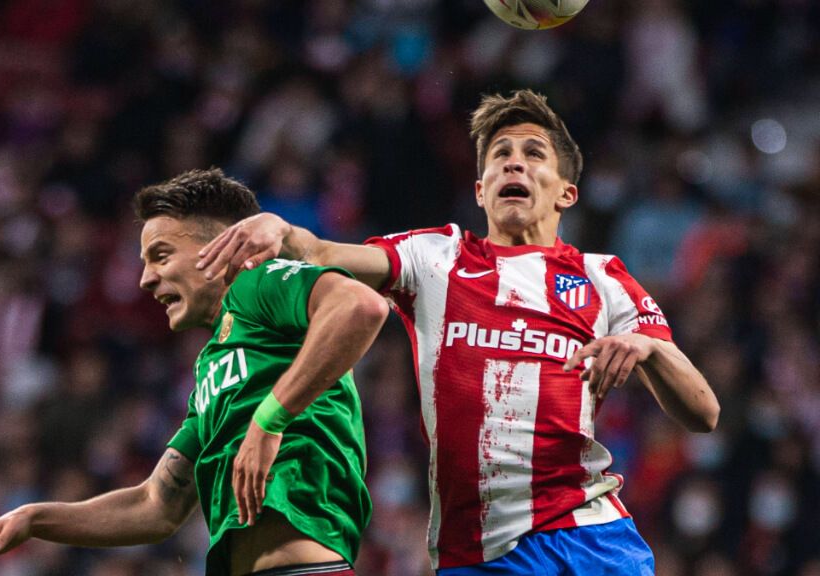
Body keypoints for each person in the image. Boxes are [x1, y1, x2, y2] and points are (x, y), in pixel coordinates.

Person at [196, 90, 721, 575]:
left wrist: (648, 347)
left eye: (534, 153)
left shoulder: (602, 278)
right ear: (480, 190)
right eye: (500, 154)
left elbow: (703, 412)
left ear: (566, 193)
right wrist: (281, 229)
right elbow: (322, 252)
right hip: (477, 551)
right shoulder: (435, 258)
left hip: (592, 538)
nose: (513, 161)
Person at [0, 168, 389, 576]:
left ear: (220, 248)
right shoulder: (214, 365)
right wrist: (34, 519)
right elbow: (156, 505)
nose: (146, 278)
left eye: (161, 255)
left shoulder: (258, 281)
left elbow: (360, 305)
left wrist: (269, 419)